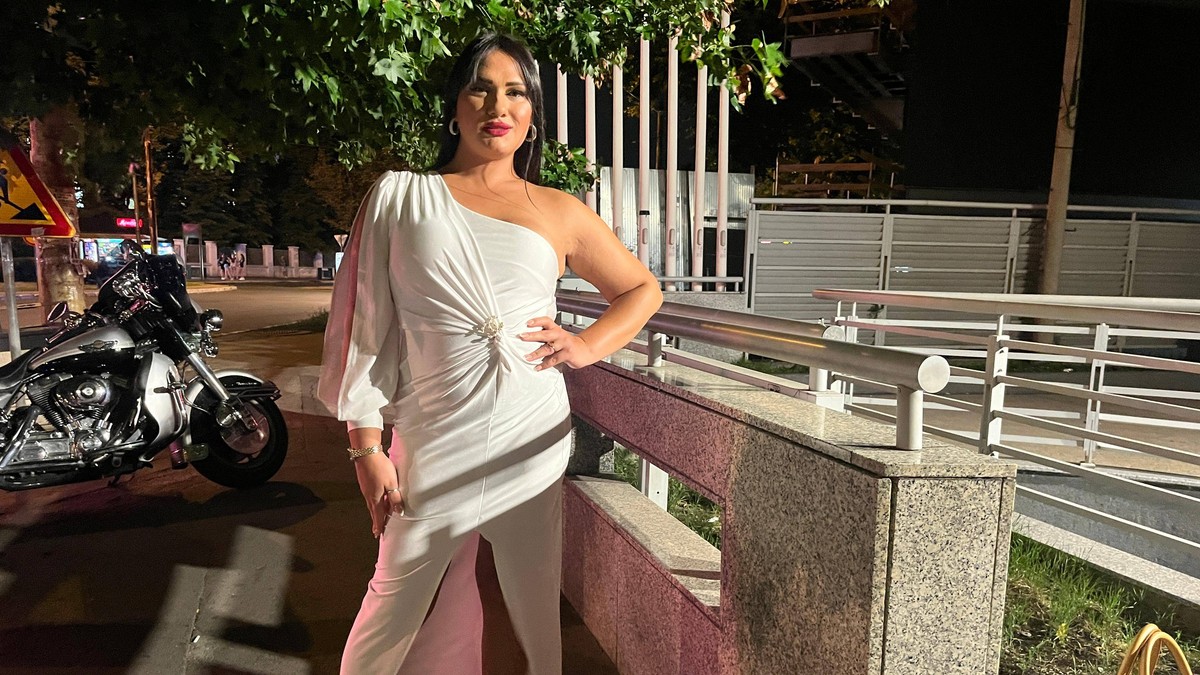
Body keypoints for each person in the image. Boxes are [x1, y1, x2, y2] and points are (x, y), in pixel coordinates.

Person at [318, 32, 662, 675]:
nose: (497, 106)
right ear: (455, 105)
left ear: (532, 114)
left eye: (515, 92)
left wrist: (585, 345)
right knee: (393, 600)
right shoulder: (400, 196)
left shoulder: (559, 210)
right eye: (480, 88)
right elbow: (367, 329)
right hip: (431, 434)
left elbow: (643, 290)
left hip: (529, 431)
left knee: (526, 599)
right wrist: (365, 447)